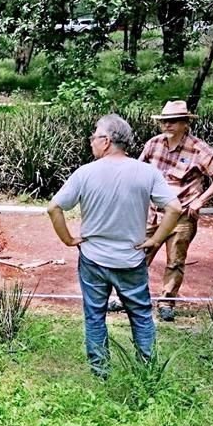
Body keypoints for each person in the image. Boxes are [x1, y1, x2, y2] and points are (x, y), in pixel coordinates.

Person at [47, 114, 182, 377]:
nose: (91, 142)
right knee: (141, 316)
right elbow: (175, 208)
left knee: (95, 316)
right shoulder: (146, 172)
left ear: (106, 141)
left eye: (94, 136)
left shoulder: (84, 173)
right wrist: (155, 239)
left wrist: (68, 239)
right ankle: (147, 370)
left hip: (93, 259)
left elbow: (54, 207)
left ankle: (101, 372)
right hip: (131, 259)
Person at [138, 100, 213, 321]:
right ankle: (130, 297)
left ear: (185, 124)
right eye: (164, 121)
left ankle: (167, 301)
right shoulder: (153, 144)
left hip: (181, 215)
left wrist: (201, 200)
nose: (167, 125)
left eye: (173, 121)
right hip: (153, 213)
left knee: (175, 260)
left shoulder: (198, 148)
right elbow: (138, 172)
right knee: (138, 255)